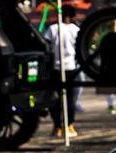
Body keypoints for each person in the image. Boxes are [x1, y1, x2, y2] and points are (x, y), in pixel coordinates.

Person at [44, 5, 80, 137]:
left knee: (54, 99)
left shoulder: (52, 29)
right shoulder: (76, 30)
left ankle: (57, 127)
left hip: (55, 68)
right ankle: (69, 125)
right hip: (71, 68)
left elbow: (46, 45)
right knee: (70, 99)